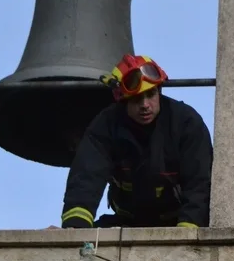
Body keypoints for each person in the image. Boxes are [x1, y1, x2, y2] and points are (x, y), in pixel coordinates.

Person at [59, 54, 213, 229]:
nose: (145, 104)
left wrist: (187, 235)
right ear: (122, 101)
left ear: (159, 91)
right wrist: (75, 230)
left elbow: (200, 184)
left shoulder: (186, 123)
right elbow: (86, 178)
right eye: (136, 99)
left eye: (151, 94)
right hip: (128, 222)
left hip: (177, 221)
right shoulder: (106, 126)